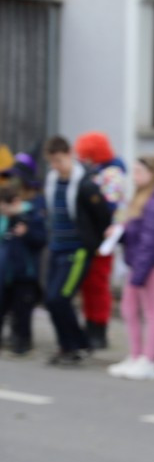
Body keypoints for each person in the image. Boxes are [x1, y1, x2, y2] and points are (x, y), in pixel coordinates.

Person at [42, 136, 113, 364]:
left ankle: (78, 345)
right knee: (50, 300)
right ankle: (68, 345)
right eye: (52, 162)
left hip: (77, 250)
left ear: (70, 154)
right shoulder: (52, 180)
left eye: (59, 160)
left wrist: (93, 243)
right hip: (56, 247)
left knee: (60, 297)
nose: (56, 166)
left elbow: (102, 215)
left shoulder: (85, 183)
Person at [107, 157, 154, 381]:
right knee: (128, 309)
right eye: (133, 171)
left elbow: (150, 241)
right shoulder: (138, 197)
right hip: (138, 262)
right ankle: (135, 355)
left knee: (151, 311)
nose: (134, 176)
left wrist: (140, 273)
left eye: (138, 172)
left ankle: (149, 359)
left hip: (151, 264)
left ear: (151, 174)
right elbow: (135, 234)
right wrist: (119, 235)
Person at [72, 132, 127, 351]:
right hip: (90, 237)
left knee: (98, 284)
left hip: (104, 239)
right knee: (88, 285)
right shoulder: (95, 172)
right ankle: (90, 324)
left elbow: (111, 208)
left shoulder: (111, 174)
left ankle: (99, 328)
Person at [0, 186, 46, 354]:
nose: (4, 212)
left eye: (5, 208)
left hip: (25, 273)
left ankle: (23, 342)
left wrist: (26, 233)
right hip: (7, 274)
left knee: (22, 312)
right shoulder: (6, 220)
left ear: (15, 203)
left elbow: (40, 240)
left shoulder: (31, 217)